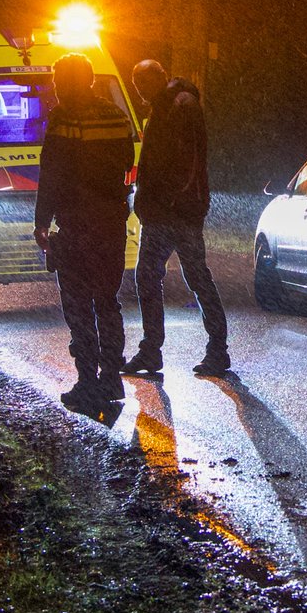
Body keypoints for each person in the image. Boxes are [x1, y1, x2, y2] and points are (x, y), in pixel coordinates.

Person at [34, 53, 134, 406]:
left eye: (59, 82)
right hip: (111, 223)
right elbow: (126, 162)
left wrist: (41, 221)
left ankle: (87, 381)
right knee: (107, 301)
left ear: (67, 84)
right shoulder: (116, 116)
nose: (57, 90)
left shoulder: (64, 118)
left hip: (76, 224)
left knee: (77, 304)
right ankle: (111, 378)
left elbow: (52, 175)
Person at [124, 60, 231, 378]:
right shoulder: (169, 105)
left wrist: (166, 201)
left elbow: (185, 162)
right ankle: (203, 350)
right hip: (174, 210)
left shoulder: (179, 106)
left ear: (156, 79)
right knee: (187, 277)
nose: (139, 90)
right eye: (137, 84)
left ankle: (200, 350)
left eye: (142, 83)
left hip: (173, 212)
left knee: (171, 278)